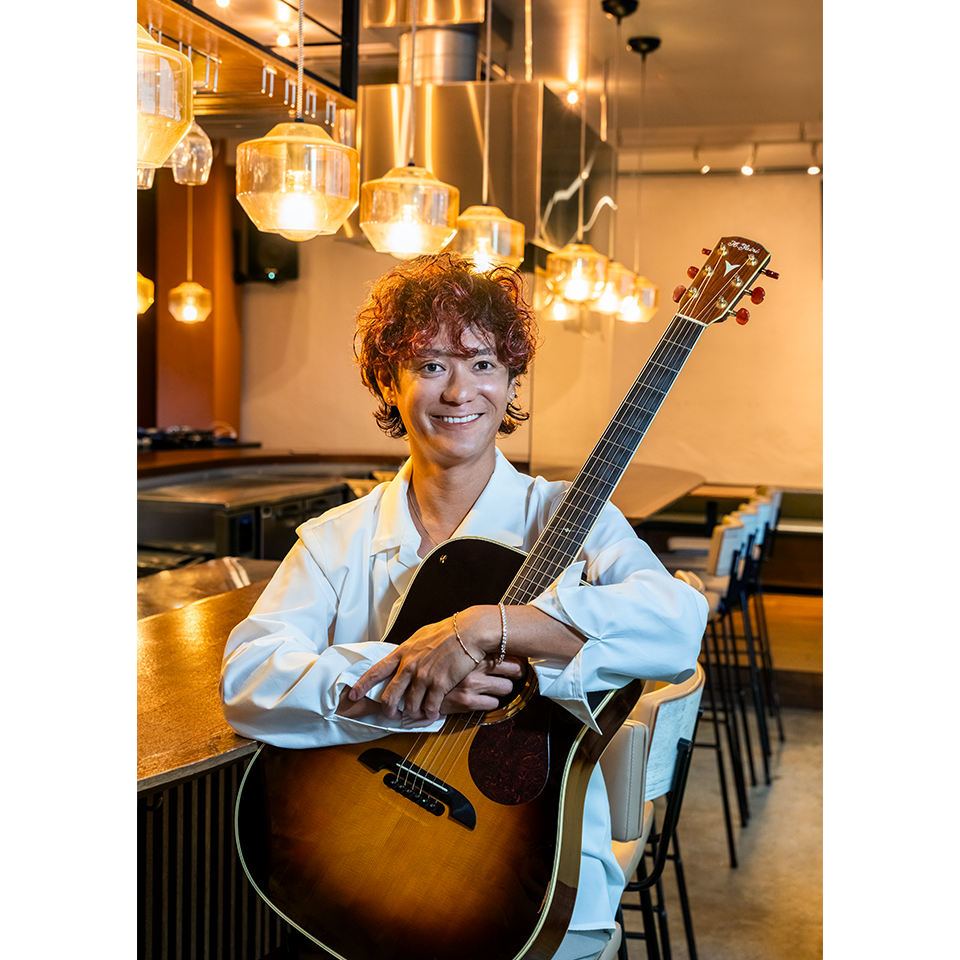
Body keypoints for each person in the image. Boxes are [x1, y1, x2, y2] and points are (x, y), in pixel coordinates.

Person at [220, 252, 709, 960]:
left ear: (511, 382)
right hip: (351, 846)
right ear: (388, 382)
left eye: (483, 364)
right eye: (431, 365)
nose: (459, 391)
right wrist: (405, 683)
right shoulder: (336, 538)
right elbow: (248, 679)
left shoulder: (571, 517)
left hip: (529, 873)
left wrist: (486, 626)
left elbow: (677, 626)